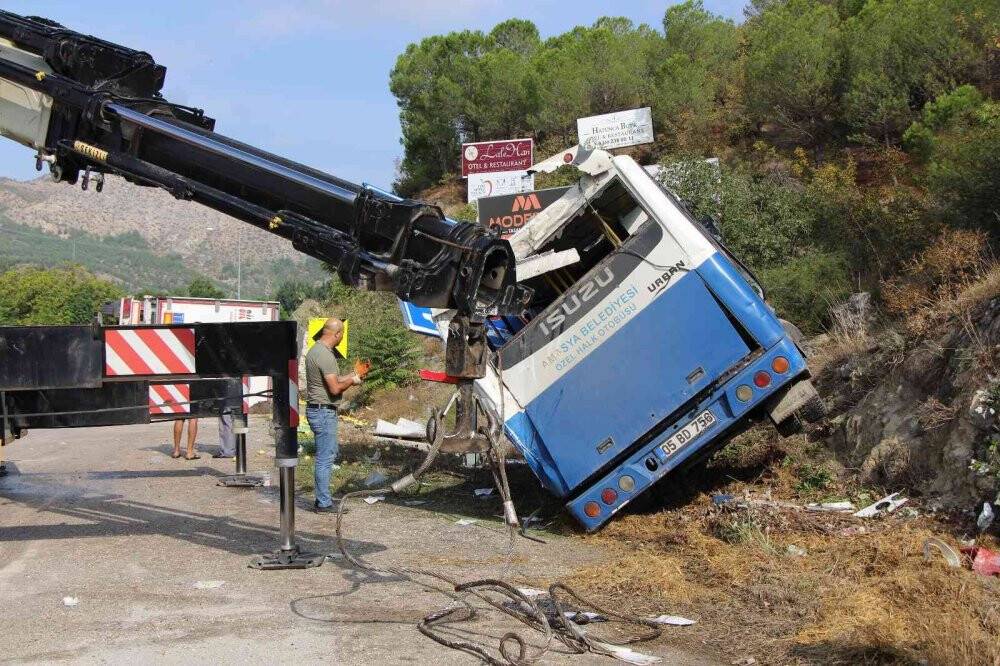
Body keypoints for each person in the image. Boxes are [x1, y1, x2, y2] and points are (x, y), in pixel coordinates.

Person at [305, 318, 369, 513]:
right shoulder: (326, 355)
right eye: (342, 335)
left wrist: (352, 375)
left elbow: (332, 380)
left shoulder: (316, 350)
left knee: (326, 454)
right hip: (324, 411)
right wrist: (353, 382)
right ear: (337, 334)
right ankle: (323, 503)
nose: (342, 339)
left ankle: (322, 499)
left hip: (318, 409)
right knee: (325, 457)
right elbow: (334, 388)